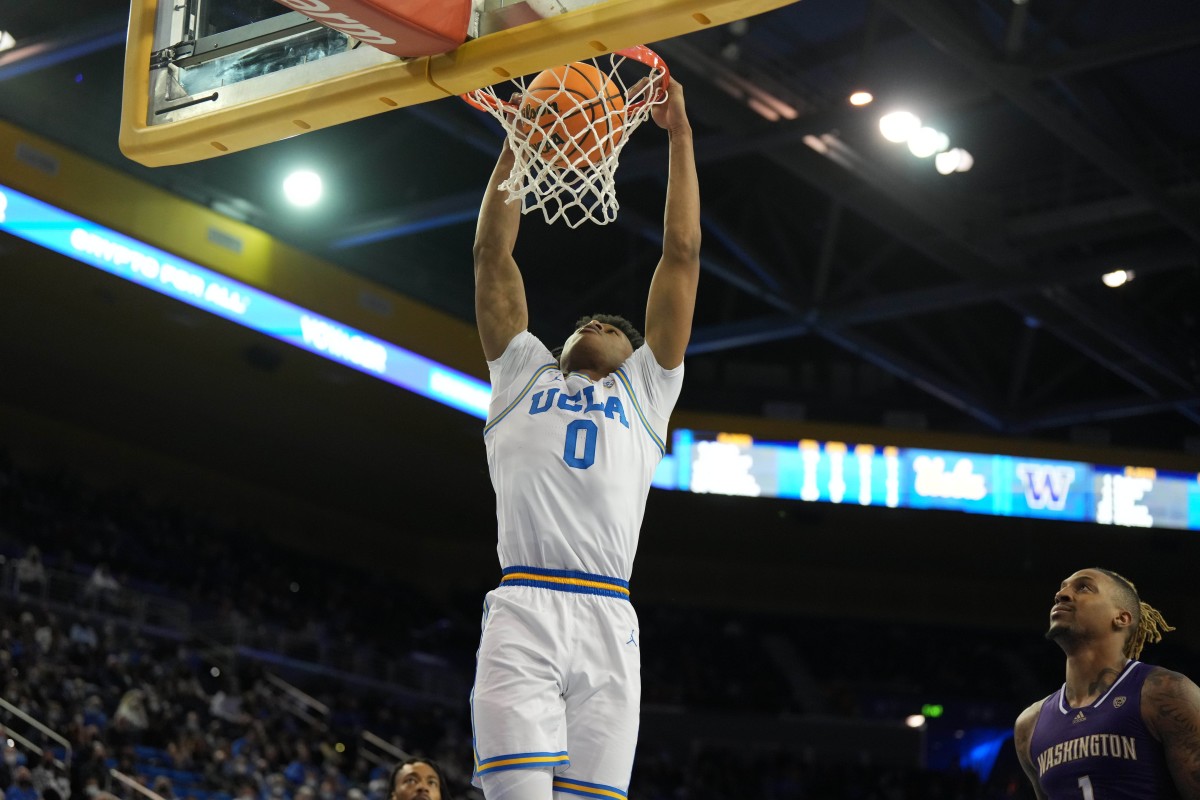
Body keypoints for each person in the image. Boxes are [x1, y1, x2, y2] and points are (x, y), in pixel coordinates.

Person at [469, 78, 700, 800]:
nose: (594, 325)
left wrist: (680, 136)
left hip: (608, 618)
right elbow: (490, 256)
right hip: (525, 608)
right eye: (584, 323)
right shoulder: (521, 376)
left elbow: (683, 255)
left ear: (637, 355)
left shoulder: (646, 391)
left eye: (613, 326)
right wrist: (520, 135)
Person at [1013, 568, 1200, 799]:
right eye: (1061, 588)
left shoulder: (1165, 692)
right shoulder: (1028, 725)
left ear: (1121, 617)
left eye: (1083, 587)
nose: (1061, 595)